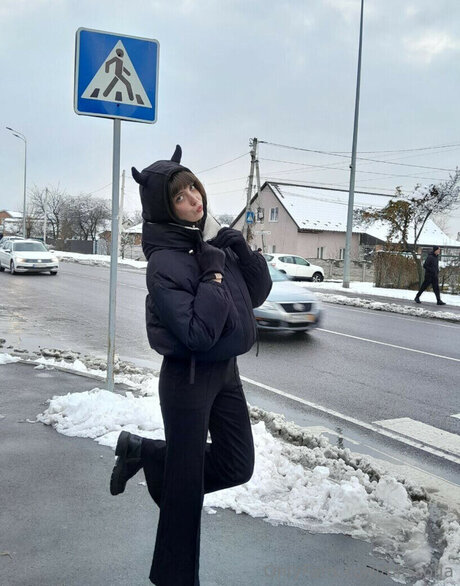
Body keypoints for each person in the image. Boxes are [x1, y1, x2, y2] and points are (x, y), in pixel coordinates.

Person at [109, 145, 272, 586]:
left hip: (225, 373)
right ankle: (174, 578)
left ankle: (148, 453)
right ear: (165, 206)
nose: (194, 199)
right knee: (184, 497)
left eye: (194, 188)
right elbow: (197, 332)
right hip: (188, 380)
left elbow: (257, 295)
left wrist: (240, 250)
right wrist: (213, 275)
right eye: (180, 196)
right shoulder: (164, 263)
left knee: (238, 464)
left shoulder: (210, 241)